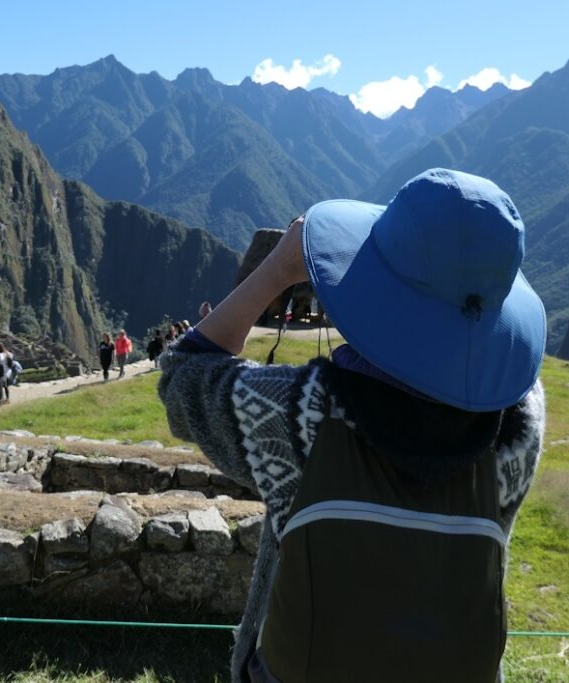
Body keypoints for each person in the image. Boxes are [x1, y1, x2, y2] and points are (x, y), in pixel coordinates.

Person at [158, 168, 546, 683]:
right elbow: (512, 377)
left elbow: (184, 375)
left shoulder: (300, 417)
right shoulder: (519, 429)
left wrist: (279, 268)